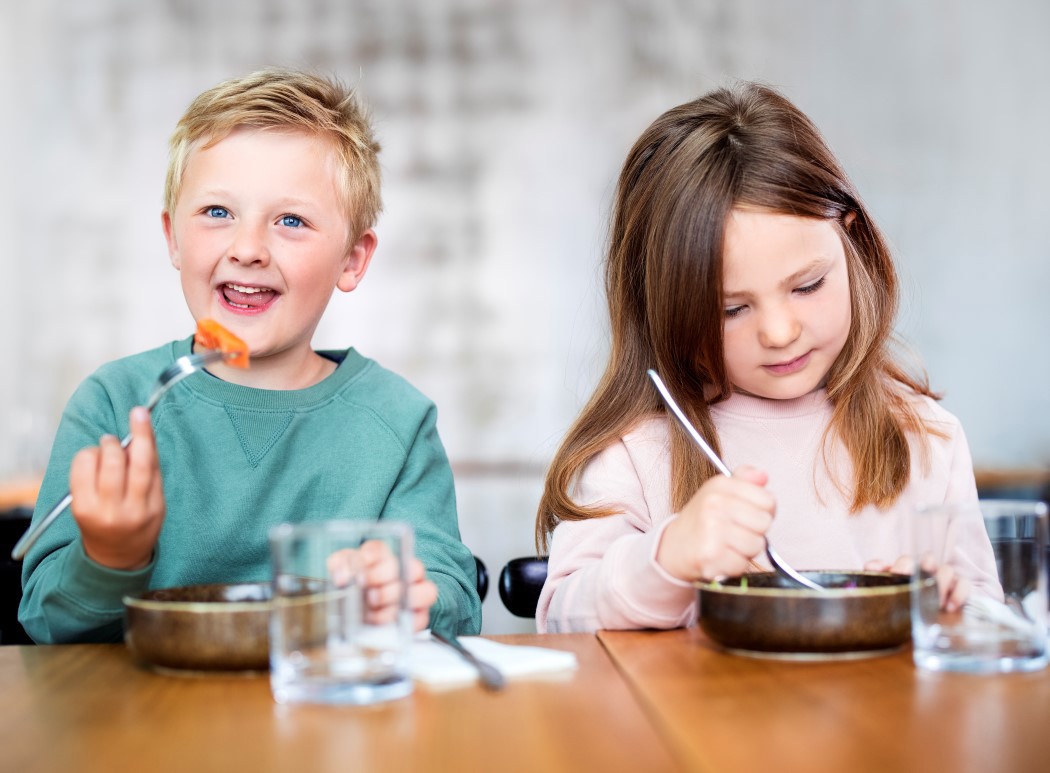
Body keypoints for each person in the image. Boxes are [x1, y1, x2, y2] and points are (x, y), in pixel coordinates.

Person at [20, 68, 481, 643]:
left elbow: (455, 600)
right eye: (217, 213)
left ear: (352, 260)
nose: (247, 249)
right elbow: (43, 621)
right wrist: (111, 555)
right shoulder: (114, 404)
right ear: (173, 239)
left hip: (328, 717)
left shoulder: (398, 420)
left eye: (291, 221)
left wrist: (407, 593)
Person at [535, 82, 997, 633]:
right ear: (664, 308)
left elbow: (994, 620)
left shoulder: (928, 440)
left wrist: (952, 608)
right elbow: (564, 618)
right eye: (731, 310)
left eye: (807, 286)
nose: (779, 333)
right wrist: (666, 560)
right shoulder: (635, 452)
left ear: (850, 241)